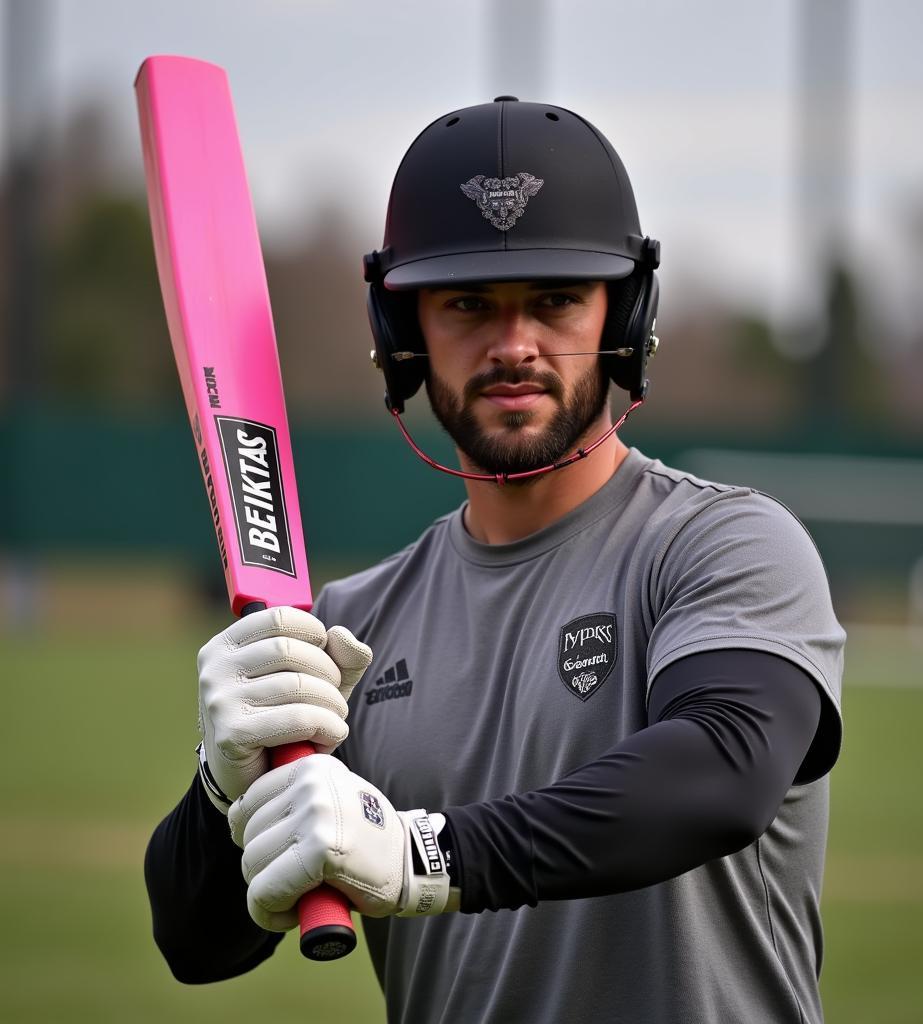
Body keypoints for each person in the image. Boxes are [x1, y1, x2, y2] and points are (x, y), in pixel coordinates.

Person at [146, 96, 845, 1024]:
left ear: (622, 314)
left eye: (556, 298)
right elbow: (196, 945)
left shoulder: (724, 547)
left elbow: (723, 772)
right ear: (404, 334)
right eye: (468, 303)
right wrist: (218, 787)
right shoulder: (352, 626)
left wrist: (429, 858)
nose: (513, 345)